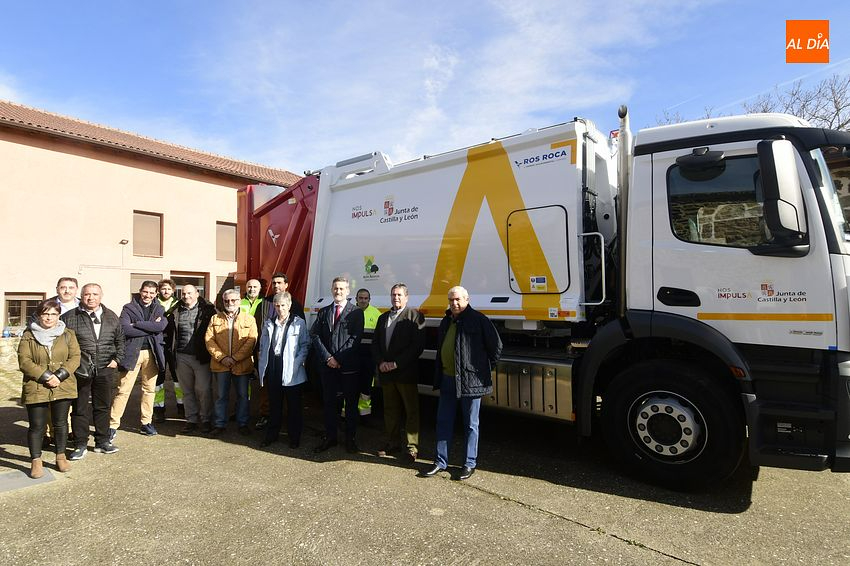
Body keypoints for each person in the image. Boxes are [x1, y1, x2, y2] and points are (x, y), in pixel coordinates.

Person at [424, 286, 502, 480]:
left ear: (467, 299)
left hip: (470, 382)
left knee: (470, 425)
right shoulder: (446, 321)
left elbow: (496, 348)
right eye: (451, 300)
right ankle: (440, 462)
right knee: (443, 422)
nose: (454, 303)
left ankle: (469, 464)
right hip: (447, 379)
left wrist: (480, 370)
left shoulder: (479, 320)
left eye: (458, 299)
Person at [18, 299, 80, 478]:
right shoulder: (29, 335)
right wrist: (46, 376)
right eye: (45, 314)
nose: (49, 318)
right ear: (39, 315)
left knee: (61, 424)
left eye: (53, 314)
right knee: (37, 426)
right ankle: (36, 461)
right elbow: (24, 361)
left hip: (63, 384)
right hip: (37, 385)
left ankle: (60, 456)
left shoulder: (68, 334)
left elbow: (75, 357)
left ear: (58, 315)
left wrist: (59, 375)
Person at [62, 283, 125, 459]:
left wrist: (117, 359)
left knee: (103, 406)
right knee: (79, 407)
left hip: (105, 368)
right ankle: (80, 443)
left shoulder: (111, 316)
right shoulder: (69, 317)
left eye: (95, 294)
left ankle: (102, 441)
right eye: (87, 294)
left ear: (101, 296)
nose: (91, 297)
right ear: (81, 296)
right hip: (81, 369)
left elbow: (120, 339)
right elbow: (62, 344)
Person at [372, 283, 425, 463]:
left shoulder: (415, 316)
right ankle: (392, 442)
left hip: (405, 373)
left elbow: (417, 346)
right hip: (386, 373)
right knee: (390, 410)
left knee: (411, 411)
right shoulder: (383, 317)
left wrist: (396, 363)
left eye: (400, 295)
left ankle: (412, 447)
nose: (396, 298)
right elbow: (376, 344)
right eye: (394, 295)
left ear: (406, 297)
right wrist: (381, 362)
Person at [310, 276, 364, 453]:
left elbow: (355, 339)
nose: (338, 291)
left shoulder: (356, 312)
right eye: (335, 288)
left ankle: (350, 439)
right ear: (331, 290)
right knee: (329, 403)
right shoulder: (324, 312)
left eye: (342, 289)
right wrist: (328, 358)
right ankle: (331, 437)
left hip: (348, 367)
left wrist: (338, 359)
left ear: (348, 291)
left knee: (350, 405)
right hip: (328, 367)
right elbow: (315, 336)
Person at [110, 281, 167, 438]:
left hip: (152, 354)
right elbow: (125, 329)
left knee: (149, 390)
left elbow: (161, 327)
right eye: (145, 292)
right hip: (132, 353)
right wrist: (150, 327)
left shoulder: (159, 308)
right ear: (140, 291)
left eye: (151, 293)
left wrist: (138, 324)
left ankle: (146, 423)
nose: (148, 295)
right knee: (123, 390)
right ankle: (113, 424)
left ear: (156, 294)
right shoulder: (128, 308)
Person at [256, 292, 309, 448]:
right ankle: (272, 435)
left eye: (283, 305)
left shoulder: (298, 323)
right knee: (274, 406)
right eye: (277, 306)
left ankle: (294, 437)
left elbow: (305, 345)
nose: (280, 309)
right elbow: (263, 345)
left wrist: (297, 363)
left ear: (289, 305)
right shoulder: (269, 323)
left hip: (292, 371)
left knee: (294, 407)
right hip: (273, 368)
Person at [205, 289, 257, 436]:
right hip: (220, 364)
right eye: (227, 301)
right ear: (223, 301)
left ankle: (243, 424)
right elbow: (209, 341)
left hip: (242, 364)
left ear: (239, 301)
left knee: (243, 396)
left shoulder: (249, 319)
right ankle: (220, 424)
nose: (230, 303)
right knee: (221, 396)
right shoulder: (215, 319)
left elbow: (251, 341)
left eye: (233, 300)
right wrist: (222, 358)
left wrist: (235, 358)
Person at [165, 285, 216, 433]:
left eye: (189, 293)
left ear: (197, 294)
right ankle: (191, 420)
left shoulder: (208, 310)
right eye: (183, 293)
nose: (186, 296)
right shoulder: (175, 310)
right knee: (187, 391)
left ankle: (206, 419)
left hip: (201, 356)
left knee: (204, 390)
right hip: (181, 356)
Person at [153, 278, 183, 423]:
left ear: (173, 290)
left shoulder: (179, 304)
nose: (166, 291)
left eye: (169, 289)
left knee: (178, 377)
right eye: (163, 289)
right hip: (158, 343)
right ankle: (159, 409)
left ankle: (182, 406)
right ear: (159, 290)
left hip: (174, 344)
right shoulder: (154, 303)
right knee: (159, 377)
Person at [354, 288, 381, 418]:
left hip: (369, 357)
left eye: (366, 298)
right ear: (356, 299)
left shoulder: (376, 314)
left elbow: (380, 337)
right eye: (361, 298)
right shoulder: (350, 312)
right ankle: (347, 412)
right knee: (350, 386)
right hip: (353, 356)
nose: (363, 300)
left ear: (369, 300)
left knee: (366, 387)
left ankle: (364, 413)